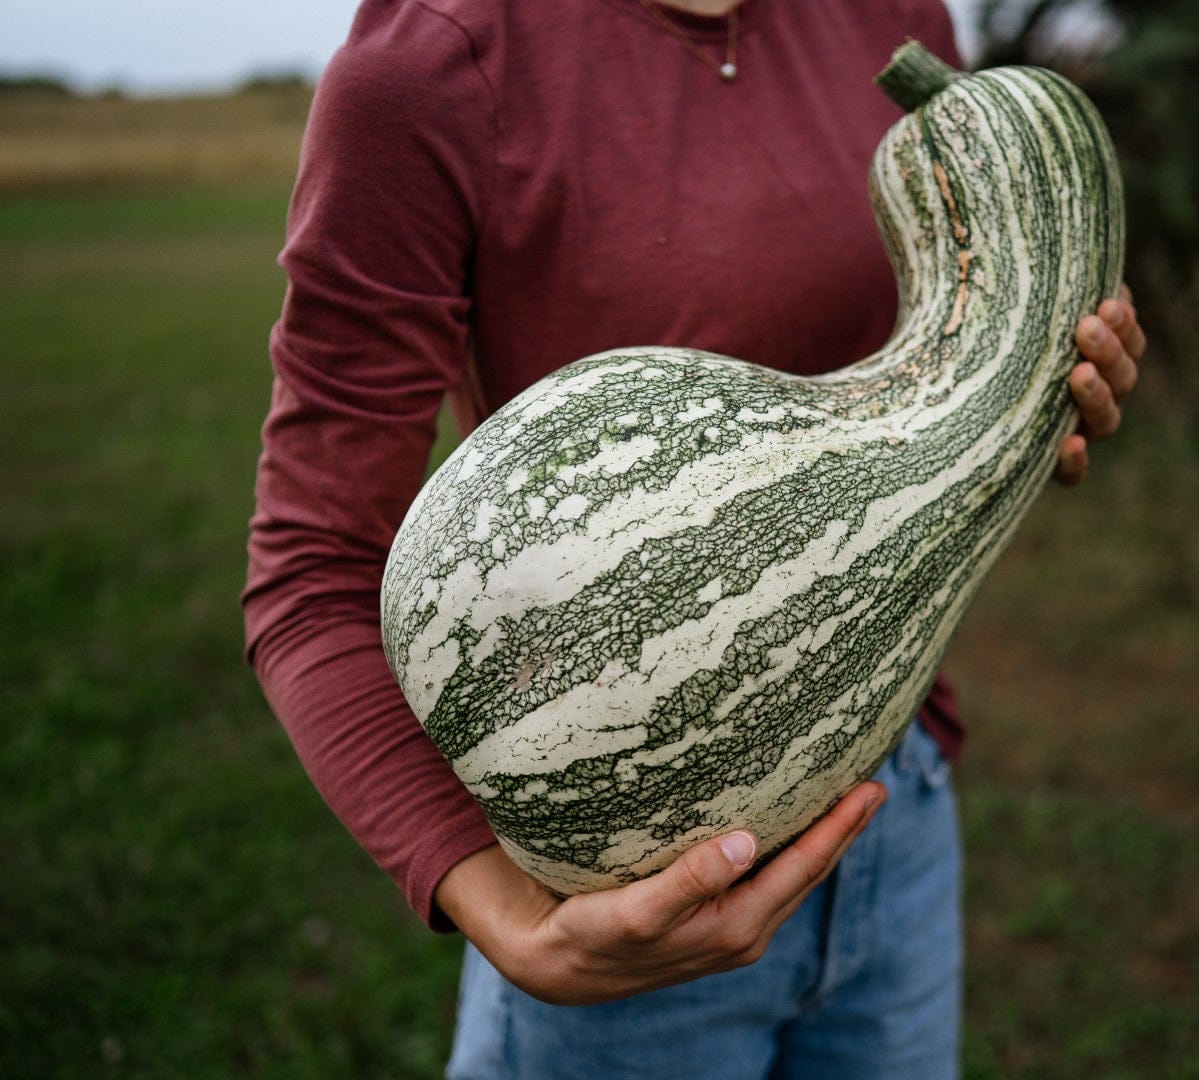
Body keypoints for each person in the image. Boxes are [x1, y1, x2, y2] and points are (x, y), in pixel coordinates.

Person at [243, 0, 1147, 1076]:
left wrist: (1036, 409)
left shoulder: (892, 16)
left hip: (889, 802)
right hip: (624, 907)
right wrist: (511, 922)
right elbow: (311, 572)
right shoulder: (435, 59)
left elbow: (930, 377)